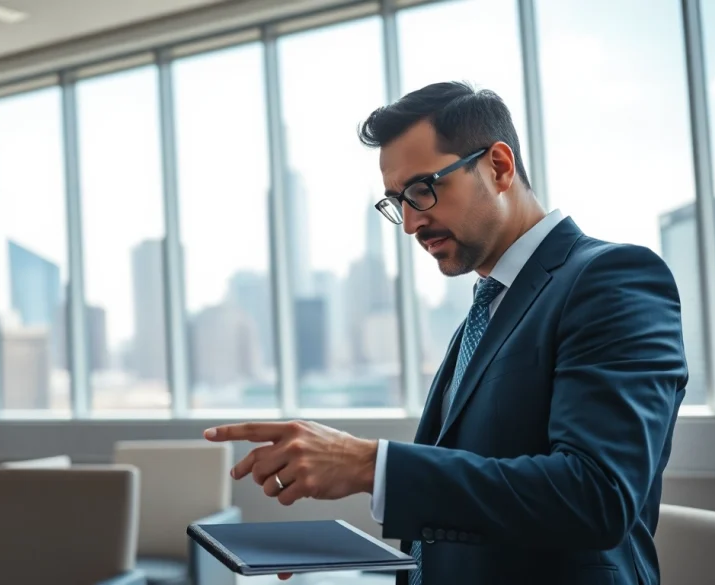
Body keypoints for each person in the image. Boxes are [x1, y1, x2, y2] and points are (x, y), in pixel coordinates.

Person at [203, 81, 688, 585]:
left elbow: (596, 496)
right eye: (397, 201)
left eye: (422, 189)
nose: (411, 222)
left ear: (498, 166)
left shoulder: (612, 277)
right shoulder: (490, 307)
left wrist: (370, 465)